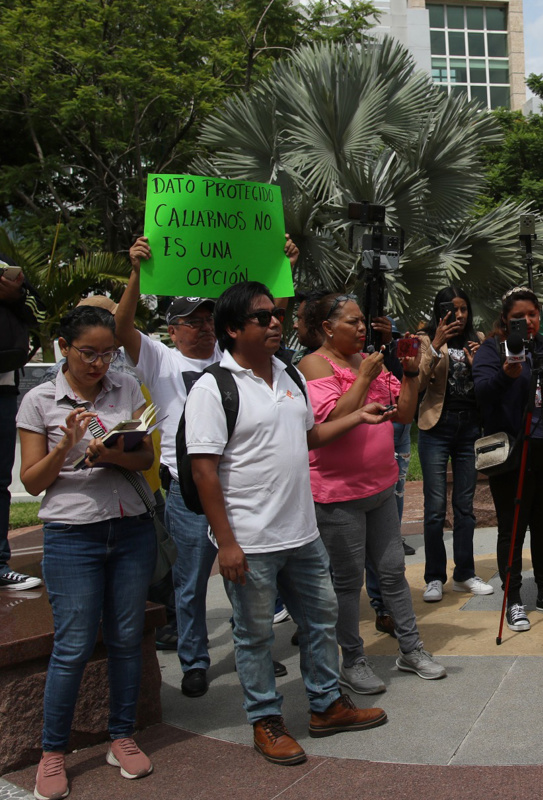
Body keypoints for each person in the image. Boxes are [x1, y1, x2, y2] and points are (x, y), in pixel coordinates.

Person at [186, 281, 389, 766]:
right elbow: (203, 470)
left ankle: (325, 706)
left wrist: (358, 417)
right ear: (233, 329)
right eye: (262, 317)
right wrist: (228, 543)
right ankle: (266, 720)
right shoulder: (215, 387)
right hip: (250, 542)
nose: (276, 322)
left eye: (277, 315)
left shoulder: (288, 376)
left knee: (321, 621)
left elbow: (310, 437)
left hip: (302, 532)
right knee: (254, 635)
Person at [119, 234, 298, 699]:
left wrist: (281, 266)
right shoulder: (158, 359)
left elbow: (267, 318)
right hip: (186, 491)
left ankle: (251, 653)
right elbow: (121, 327)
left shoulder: (230, 357)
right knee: (190, 582)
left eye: (206, 320)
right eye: (188, 322)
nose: (199, 328)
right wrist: (137, 272)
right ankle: (194, 660)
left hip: (237, 488)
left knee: (248, 576)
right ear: (171, 329)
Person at [19, 306, 157, 799]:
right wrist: (69, 448)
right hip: (72, 534)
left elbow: (145, 457)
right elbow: (34, 482)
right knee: (74, 644)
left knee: (124, 636)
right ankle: (52, 752)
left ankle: (121, 736)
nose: (100, 363)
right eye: (89, 353)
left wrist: (112, 452)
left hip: (130, 528)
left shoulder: (126, 388)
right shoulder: (39, 400)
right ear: (63, 347)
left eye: (108, 353)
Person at [298, 293, 445, 694]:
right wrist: (363, 377)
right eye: (352, 322)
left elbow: (403, 413)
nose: (362, 328)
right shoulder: (313, 364)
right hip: (338, 493)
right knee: (347, 583)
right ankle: (354, 660)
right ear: (327, 328)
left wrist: (412, 375)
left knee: (393, 572)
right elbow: (329, 421)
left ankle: (411, 649)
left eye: (363, 322)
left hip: (380, 487)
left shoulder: (371, 362)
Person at [473, 287, 543, 632]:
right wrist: (507, 373)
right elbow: (482, 393)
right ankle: (514, 597)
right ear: (506, 319)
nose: (528, 322)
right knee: (513, 526)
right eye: (519, 317)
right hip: (512, 452)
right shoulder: (492, 349)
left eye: (532, 315)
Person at [414, 286, 492, 602]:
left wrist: (478, 363)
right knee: (434, 509)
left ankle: (464, 574)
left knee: (465, 507)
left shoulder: (480, 339)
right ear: (440, 311)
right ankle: (434, 577)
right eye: (452, 310)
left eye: (463, 310)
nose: (459, 316)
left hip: (470, 428)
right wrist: (435, 345)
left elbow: (489, 384)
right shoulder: (425, 340)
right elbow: (417, 383)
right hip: (436, 427)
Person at [0, 255, 41, 591]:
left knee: (0, 482)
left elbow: (40, 313)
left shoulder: (9, 267)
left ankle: (0, 564)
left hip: (3, 388)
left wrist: (15, 295)